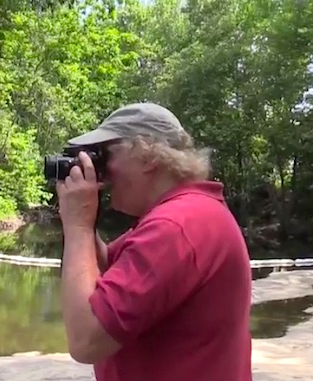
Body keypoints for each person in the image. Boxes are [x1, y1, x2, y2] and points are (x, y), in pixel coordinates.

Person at [54, 102, 252, 381]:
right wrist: (82, 221)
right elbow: (104, 281)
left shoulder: (176, 227)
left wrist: (77, 227)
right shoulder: (193, 214)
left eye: (106, 155)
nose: (103, 171)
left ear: (147, 156)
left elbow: (87, 340)